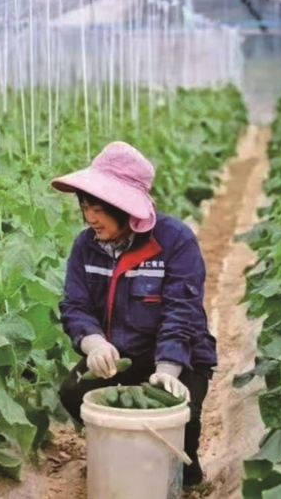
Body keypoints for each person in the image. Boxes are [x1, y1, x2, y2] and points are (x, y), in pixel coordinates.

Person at [51, 141, 217, 488]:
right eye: (85, 207)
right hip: (120, 353)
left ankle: (185, 476)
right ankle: (121, 452)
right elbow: (75, 305)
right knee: (73, 393)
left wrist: (167, 369)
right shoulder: (85, 246)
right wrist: (94, 343)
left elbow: (182, 312)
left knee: (180, 412)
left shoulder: (175, 241)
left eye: (98, 209)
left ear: (125, 208)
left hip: (180, 354)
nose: (90, 218)